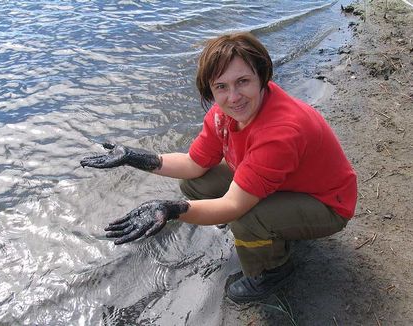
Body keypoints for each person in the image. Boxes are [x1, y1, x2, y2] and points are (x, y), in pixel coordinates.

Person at [80, 32, 357, 303]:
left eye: (243, 81)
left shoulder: (280, 132)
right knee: (195, 184)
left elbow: (235, 206)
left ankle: (273, 271)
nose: (233, 97)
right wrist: (132, 156)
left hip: (326, 203)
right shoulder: (223, 115)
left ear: (262, 77)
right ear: (210, 89)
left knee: (247, 218)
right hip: (286, 185)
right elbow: (192, 164)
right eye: (221, 87)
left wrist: (170, 209)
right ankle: (269, 229)